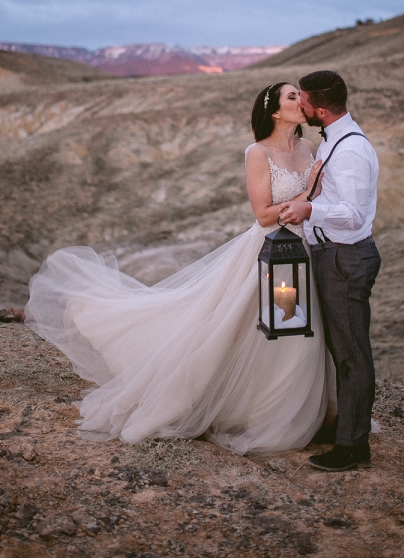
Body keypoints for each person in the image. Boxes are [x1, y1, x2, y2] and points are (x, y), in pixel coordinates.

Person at [25, 82, 335, 455]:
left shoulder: (309, 148)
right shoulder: (258, 153)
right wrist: (308, 191)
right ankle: (248, 409)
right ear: (273, 111)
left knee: (300, 332)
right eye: (291, 96)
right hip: (270, 250)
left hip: (306, 250)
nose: (300, 101)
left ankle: (288, 408)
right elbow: (264, 215)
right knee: (256, 329)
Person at [279, 70, 381, 471]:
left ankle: (353, 447)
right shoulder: (333, 142)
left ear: (319, 109)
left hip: (345, 259)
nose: (299, 106)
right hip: (330, 255)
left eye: (301, 101)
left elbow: (354, 215)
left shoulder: (351, 150)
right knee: (341, 349)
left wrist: (309, 210)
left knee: (352, 353)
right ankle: (343, 429)